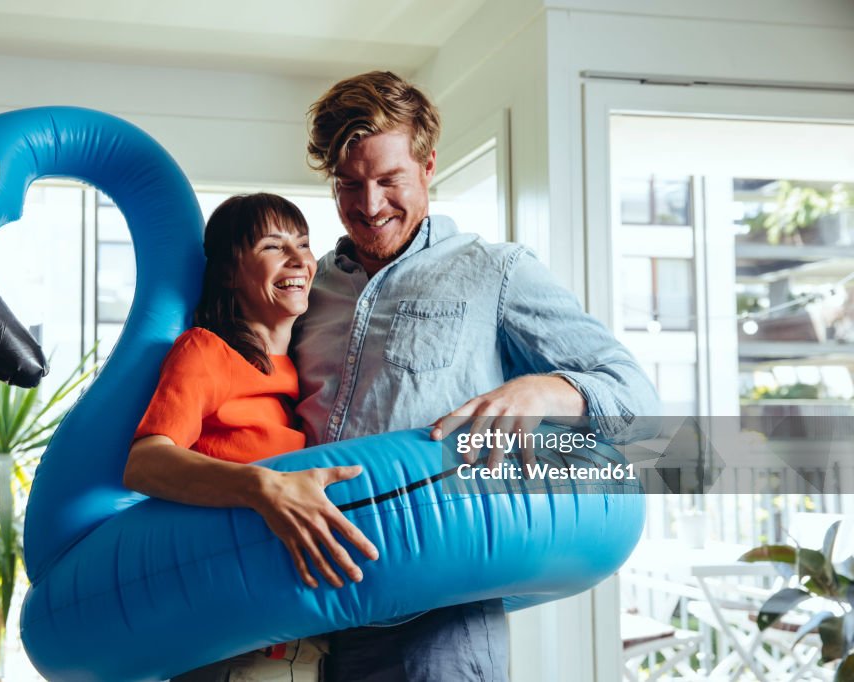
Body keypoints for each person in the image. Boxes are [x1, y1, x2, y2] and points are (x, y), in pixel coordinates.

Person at [293, 70, 661, 682]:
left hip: (439, 618)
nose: (369, 205)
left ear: (428, 165)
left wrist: (546, 388)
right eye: (348, 185)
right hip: (311, 611)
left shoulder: (495, 272)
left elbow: (634, 395)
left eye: (390, 180)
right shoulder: (310, 286)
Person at [124, 193, 379, 681]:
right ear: (227, 272)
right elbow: (146, 462)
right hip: (236, 650)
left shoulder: (306, 370)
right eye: (272, 246)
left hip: (311, 647)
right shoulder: (206, 351)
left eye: (303, 244)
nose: (299, 259)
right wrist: (261, 486)